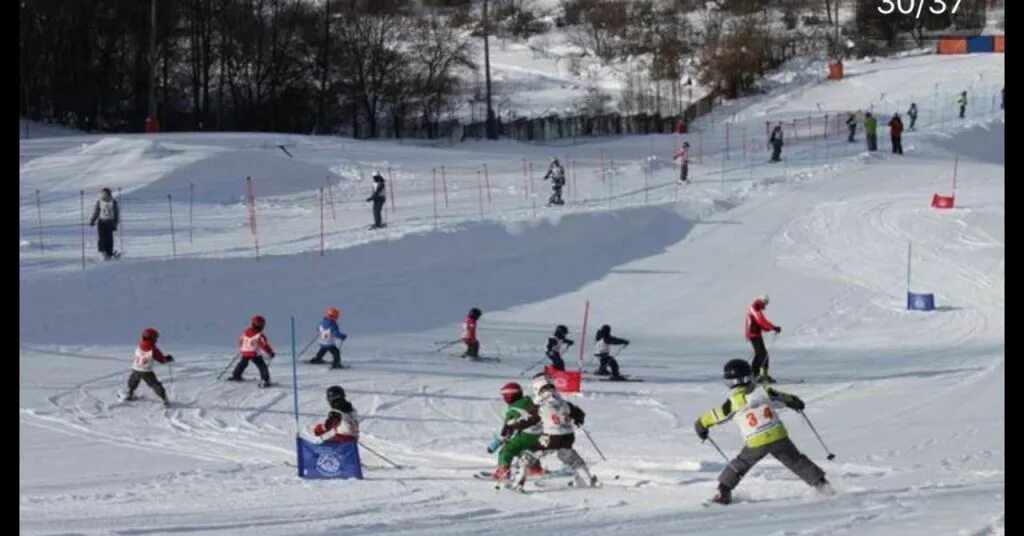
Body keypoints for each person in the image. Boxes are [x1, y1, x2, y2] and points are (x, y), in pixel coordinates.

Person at [695, 359, 831, 505]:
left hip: (755, 441)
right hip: (778, 435)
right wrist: (794, 401)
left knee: (740, 464)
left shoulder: (733, 402)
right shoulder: (764, 391)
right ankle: (822, 485)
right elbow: (783, 398)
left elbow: (717, 415)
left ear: (730, 382)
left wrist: (701, 425)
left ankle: (723, 492)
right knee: (796, 460)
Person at [504, 379, 595, 490]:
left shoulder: (540, 406)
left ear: (538, 390)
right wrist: (578, 420)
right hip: (568, 437)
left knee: (529, 456)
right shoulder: (564, 403)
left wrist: (513, 425)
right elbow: (580, 414)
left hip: (551, 437)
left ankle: (517, 483)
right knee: (568, 456)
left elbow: (528, 420)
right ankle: (587, 480)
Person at [489, 382, 545, 480]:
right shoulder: (529, 401)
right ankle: (535, 468)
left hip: (527, 434)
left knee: (507, 450)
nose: (504, 399)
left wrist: (499, 441)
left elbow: (507, 429)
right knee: (527, 450)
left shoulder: (513, 410)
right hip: (540, 435)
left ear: (509, 396)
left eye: (504, 396)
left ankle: (503, 471)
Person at [124, 328, 174, 408]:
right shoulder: (153, 349)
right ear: (152, 338)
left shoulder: (140, 345)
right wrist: (168, 358)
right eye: (156, 338)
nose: (157, 340)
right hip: (146, 371)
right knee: (155, 384)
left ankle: (130, 393)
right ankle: (165, 400)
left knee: (134, 380)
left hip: (136, 368)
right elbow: (162, 360)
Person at [229, 315, 275, 387]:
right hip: (254, 353)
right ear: (261, 325)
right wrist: (270, 352)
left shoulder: (246, 331)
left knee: (242, 364)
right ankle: (265, 380)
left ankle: (236, 375)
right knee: (262, 366)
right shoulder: (259, 335)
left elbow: (241, 340)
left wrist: (243, 346)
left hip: (245, 351)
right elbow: (264, 345)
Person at [745, 295, 780, 383]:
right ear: (762, 301)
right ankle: (756, 375)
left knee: (762, 354)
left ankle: (760, 374)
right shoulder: (755, 308)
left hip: (755, 333)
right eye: (766, 302)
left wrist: (771, 327)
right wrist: (772, 327)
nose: (766, 305)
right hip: (753, 334)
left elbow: (761, 322)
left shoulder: (757, 308)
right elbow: (761, 321)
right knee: (762, 354)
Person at [88, 187, 120, 260]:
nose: (103, 195)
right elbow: (96, 212)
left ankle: (109, 253)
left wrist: (116, 223)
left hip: (110, 222)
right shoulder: (99, 202)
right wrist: (92, 220)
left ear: (109, 194)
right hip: (101, 222)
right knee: (101, 238)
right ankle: (102, 252)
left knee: (109, 238)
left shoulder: (113, 202)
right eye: (102, 193)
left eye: (105, 193)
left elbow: (116, 213)